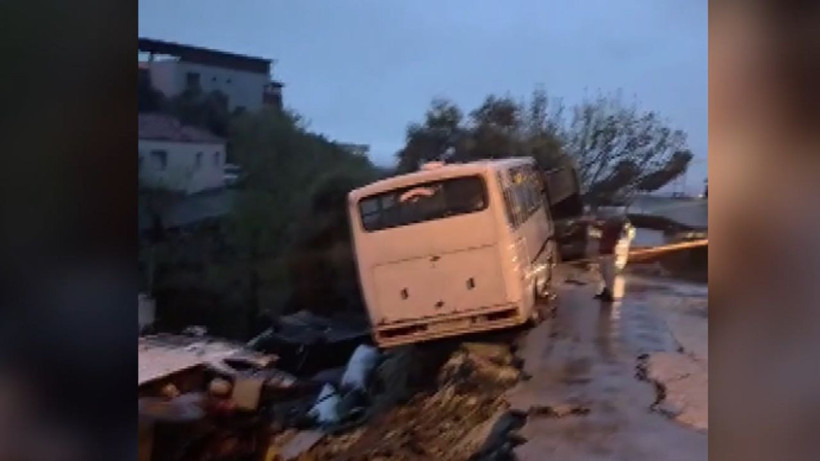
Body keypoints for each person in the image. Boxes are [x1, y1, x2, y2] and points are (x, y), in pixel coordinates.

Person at [594, 215, 629, 302]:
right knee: (604, 273)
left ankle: (609, 293)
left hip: (609, 253)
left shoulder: (614, 229)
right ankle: (606, 291)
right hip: (604, 253)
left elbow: (622, 230)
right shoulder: (609, 228)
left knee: (608, 274)